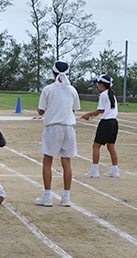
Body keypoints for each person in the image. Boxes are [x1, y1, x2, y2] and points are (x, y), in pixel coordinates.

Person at [35, 61, 81, 208]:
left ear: (53, 73)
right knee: (66, 162)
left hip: (53, 128)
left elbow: (41, 110)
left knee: (47, 160)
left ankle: (48, 196)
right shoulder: (72, 90)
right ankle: (66, 197)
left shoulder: (48, 89)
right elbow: (74, 110)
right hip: (68, 128)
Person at [81, 74, 120, 178]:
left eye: (98, 83)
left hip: (106, 123)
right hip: (114, 123)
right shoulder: (111, 95)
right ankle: (115, 170)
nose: (97, 85)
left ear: (102, 85)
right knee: (111, 146)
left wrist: (89, 114)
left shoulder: (103, 95)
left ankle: (95, 170)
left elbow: (101, 110)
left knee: (96, 146)